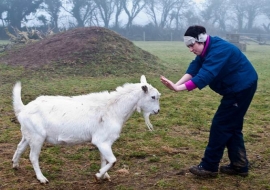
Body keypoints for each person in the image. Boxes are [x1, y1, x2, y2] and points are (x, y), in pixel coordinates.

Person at [160, 25, 258, 177]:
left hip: (242, 87)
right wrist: (176, 85)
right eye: (188, 46)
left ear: (202, 40)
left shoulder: (219, 50)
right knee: (231, 126)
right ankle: (239, 165)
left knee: (221, 125)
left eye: (192, 45)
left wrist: (178, 89)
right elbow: (195, 68)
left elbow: (205, 75)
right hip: (236, 88)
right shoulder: (207, 49)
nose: (190, 49)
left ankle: (209, 166)